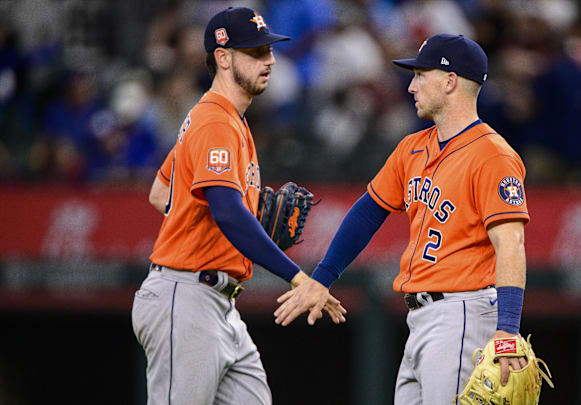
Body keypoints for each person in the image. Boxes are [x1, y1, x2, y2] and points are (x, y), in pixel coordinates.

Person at [274, 34, 531, 403]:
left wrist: (507, 330)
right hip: (421, 319)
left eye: (420, 75)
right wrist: (322, 279)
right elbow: (368, 211)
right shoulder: (412, 147)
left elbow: (511, 242)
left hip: (463, 314)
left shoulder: (492, 156)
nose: (410, 86)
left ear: (450, 81)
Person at [131, 7, 345, 405]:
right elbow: (228, 212)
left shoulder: (227, 120)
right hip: (187, 297)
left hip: (218, 303)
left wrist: (205, 221)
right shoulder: (214, 121)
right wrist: (299, 279)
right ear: (224, 57)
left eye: (269, 51)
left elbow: (161, 194)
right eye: (257, 52)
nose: (271, 60)